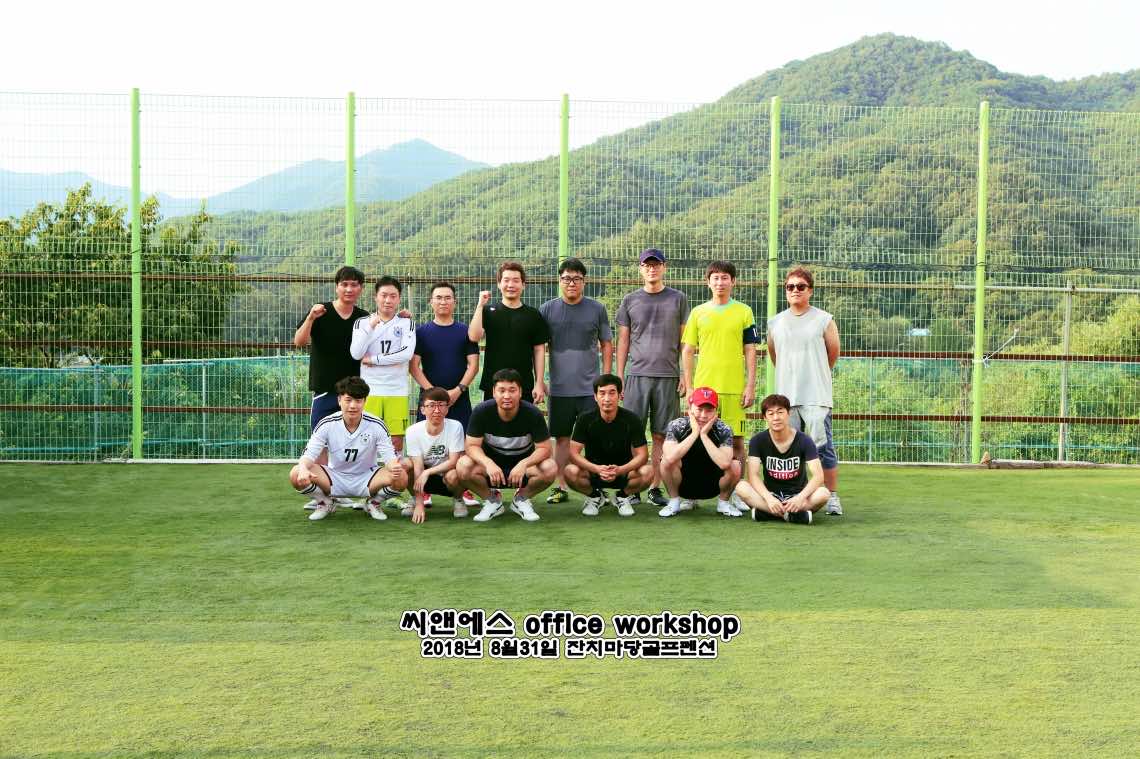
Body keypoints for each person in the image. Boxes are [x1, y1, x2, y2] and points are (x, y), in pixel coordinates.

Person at [616, 247, 690, 508]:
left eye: (656, 264)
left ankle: (655, 487)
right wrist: (619, 376)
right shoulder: (630, 300)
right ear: (640, 269)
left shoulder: (678, 299)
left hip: (668, 376)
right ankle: (633, 486)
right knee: (633, 435)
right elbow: (623, 341)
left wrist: (685, 373)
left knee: (662, 435)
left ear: (664, 267)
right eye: (647, 265)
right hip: (636, 375)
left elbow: (685, 341)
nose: (652, 269)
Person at [681, 260, 758, 509]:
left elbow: (750, 350)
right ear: (708, 282)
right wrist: (690, 387)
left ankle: (736, 493)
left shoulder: (744, 311)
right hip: (705, 391)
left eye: (725, 277)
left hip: (734, 389)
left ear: (733, 281)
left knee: (737, 442)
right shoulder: (698, 312)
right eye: (715, 277)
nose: (720, 282)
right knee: (696, 440)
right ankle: (691, 494)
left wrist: (750, 386)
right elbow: (688, 350)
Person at [766, 267, 843, 516]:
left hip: (817, 396)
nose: (795, 290)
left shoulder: (824, 319)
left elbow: (833, 353)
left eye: (801, 286)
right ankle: (793, 495)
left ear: (810, 290)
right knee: (789, 449)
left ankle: (831, 496)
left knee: (822, 448)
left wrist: (815, 374)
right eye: (790, 287)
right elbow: (775, 355)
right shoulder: (775, 323)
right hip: (786, 397)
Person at [293, 265, 370, 509]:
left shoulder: (364, 317)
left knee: (353, 444)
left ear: (361, 288)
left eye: (354, 284)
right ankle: (324, 495)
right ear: (337, 287)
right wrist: (310, 317)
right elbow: (299, 341)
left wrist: (402, 319)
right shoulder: (320, 312)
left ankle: (343, 491)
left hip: (354, 393)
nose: (349, 289)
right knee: (320, 444)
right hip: (325, 390)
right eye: (344, 284)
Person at [540, 258, 614, 505]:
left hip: (589, 389)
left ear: (584, 281)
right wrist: (540, 380)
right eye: (566, 278)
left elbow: (607, 344)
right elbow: (539, 347)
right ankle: (560, 485)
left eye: (576, 279)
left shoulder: (597, 309)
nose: (571, 283)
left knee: (593, 438)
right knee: (561, 438)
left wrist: (604, 380)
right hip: (559, 389)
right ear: (559, 281)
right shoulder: (547, 309)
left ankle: (596, 485)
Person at [289, 376, 407, 522]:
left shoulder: (377, 425)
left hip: (368, 478)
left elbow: (389, 457)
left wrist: (394, 466)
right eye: (348, 400)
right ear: (339, 400)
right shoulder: (326, 423)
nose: (353, 406)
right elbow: (309, 454)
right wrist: (303, 468)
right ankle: (324, 503)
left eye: (358, 401)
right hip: (334, 478)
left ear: (365, 402)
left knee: (402, 476)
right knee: (296, 473)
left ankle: (374, 503)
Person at [409, 280, 481, 508]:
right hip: (430, 399)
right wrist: (432, 394)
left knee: (464, 445)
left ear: (455, 302)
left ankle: (463, 489)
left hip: (459, 398)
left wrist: (458, 390)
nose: (443, 301)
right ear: (431, 302)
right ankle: (424, 491)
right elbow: (414, 366)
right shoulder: (421, 332)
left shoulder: (465, 332)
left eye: (447, 297)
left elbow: (473, 365)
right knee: (425, 443)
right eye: (438, 298)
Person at [457, 369, 557, 522]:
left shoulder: (533, 413)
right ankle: (492, 500)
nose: (506, 396)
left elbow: (545, 449)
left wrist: (524, 464)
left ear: (520, 392)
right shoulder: (481, 411)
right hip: (492, 470)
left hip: (523, 470)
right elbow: (471, 446)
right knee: (463, 465)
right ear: (493, 392)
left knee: (550, 467)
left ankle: (521, 499)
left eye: (512, 390)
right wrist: (488, 463)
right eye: (501, 390)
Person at [564, 374, 653, 517]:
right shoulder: (584, 419)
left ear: (619, 395)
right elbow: (573, 453)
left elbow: (643, 455)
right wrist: (596, 469)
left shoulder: (632, 419)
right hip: (594, 471)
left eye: (612, 393)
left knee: (648, 472)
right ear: (595, 397)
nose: (607, 398)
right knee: (570, 471)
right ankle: (595, 497)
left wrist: (620, 470)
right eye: (602, 393)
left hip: (623, 472)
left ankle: (622, 497)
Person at [734, 393, 830, 525]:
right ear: (765, 417)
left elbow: (818, 476)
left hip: (797, 495)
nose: (776, 418)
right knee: (741, 487)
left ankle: (768, 513)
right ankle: (791, 515)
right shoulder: (758, 440)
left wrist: (800, 498)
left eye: (780, 412)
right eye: (771, 413)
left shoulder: (804, 440)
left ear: (788, 414)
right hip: (770, 494)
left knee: (823, 493)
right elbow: (753, 475)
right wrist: (769, 499)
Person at [350, 276, 416, 457]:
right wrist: (371, 326)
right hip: (370, 390)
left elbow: (406, 354)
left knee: (396, 441)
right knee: (366, 439)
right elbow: (356, 354)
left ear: (399, 299)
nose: (388, 300)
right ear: (376, 297)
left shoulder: (406, 323)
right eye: (384, 295)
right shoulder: (362, 323)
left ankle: (394, 474)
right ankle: (367, 474)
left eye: (393, 296)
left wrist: (374, 359)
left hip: (397, 390)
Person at [468, 261, 550, 405]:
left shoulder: (533, 315)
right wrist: (480, 305)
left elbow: (539, 350)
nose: (510, 285)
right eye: (506, 280)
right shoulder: (487, 311)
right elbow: (474, 337)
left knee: (524, 420)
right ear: (499, 284)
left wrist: (539, 383)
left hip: (523, 384)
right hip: (493, 384)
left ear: (523, 285)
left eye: (516, 281)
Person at [657, 387, 742, 518]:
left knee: (735, 465)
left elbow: (725, 463)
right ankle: (674, 502)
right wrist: (694, 433)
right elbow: (670, 457)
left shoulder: (724, 429)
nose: (703, 415)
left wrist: (703, 435)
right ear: (690, 408)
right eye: (699, 409)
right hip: (683, 485)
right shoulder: (676, 425)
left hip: (712, 485)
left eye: (709, 410)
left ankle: (723, 504)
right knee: (665, 461)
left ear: (716, 411)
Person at [400, 387, 468, 522]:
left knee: (456, 472)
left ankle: (458, 499)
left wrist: (427, 472)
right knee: (405, 464)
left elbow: (453, 461)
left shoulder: (456, 426)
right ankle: (414, 498)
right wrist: (420, 504)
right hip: (423, 477)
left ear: (447, 409)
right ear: (422, 409)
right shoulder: (413, 431)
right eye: (431, 405)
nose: (437, 410)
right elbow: (418, 466)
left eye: (441, 405)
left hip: (447, 475)